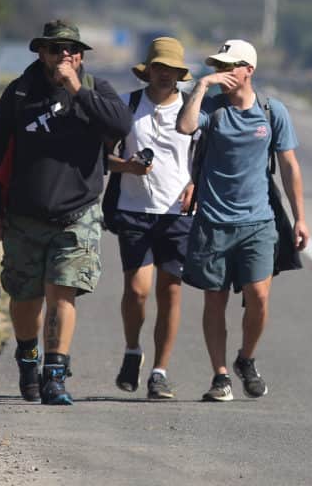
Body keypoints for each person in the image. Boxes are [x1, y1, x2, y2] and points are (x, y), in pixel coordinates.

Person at [0, 20, 131, 405]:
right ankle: (28, 358)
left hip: (77, 213)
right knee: (26, 298)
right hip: (24, 214)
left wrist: (76, 88)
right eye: (57, 49)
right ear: (41, 53)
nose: (66, 55)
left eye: (73, 50)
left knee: (63, 293)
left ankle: (55, 375)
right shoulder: (19, 94)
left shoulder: (96, 90)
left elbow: (120, 124)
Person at [176, 39, 309, 402]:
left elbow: (289, 165)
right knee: (214, 301)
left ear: (248, 70)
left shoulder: (271, 111)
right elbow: (186, 127)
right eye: (218, 65)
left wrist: (300, 218)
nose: (223, 71)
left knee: (259, 296)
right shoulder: (213, 108)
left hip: (258, 221)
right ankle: (220, 376)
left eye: (229, 66)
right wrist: (202, 86)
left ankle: (246, 359)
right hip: (213, 222)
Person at [106, 37, 195, 400]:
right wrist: (126, 166)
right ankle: (132, 351)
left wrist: (197, 185)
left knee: (170, 291)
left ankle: (160, 371)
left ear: (179, 74)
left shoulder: (193, 109)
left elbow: (204, 159)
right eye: (159, 67)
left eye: (171, 69)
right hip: (135, 210)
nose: (165, 75)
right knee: (137, 291)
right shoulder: (127, 106)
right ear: (148, 70)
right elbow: (101, 155)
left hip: (179, 213)